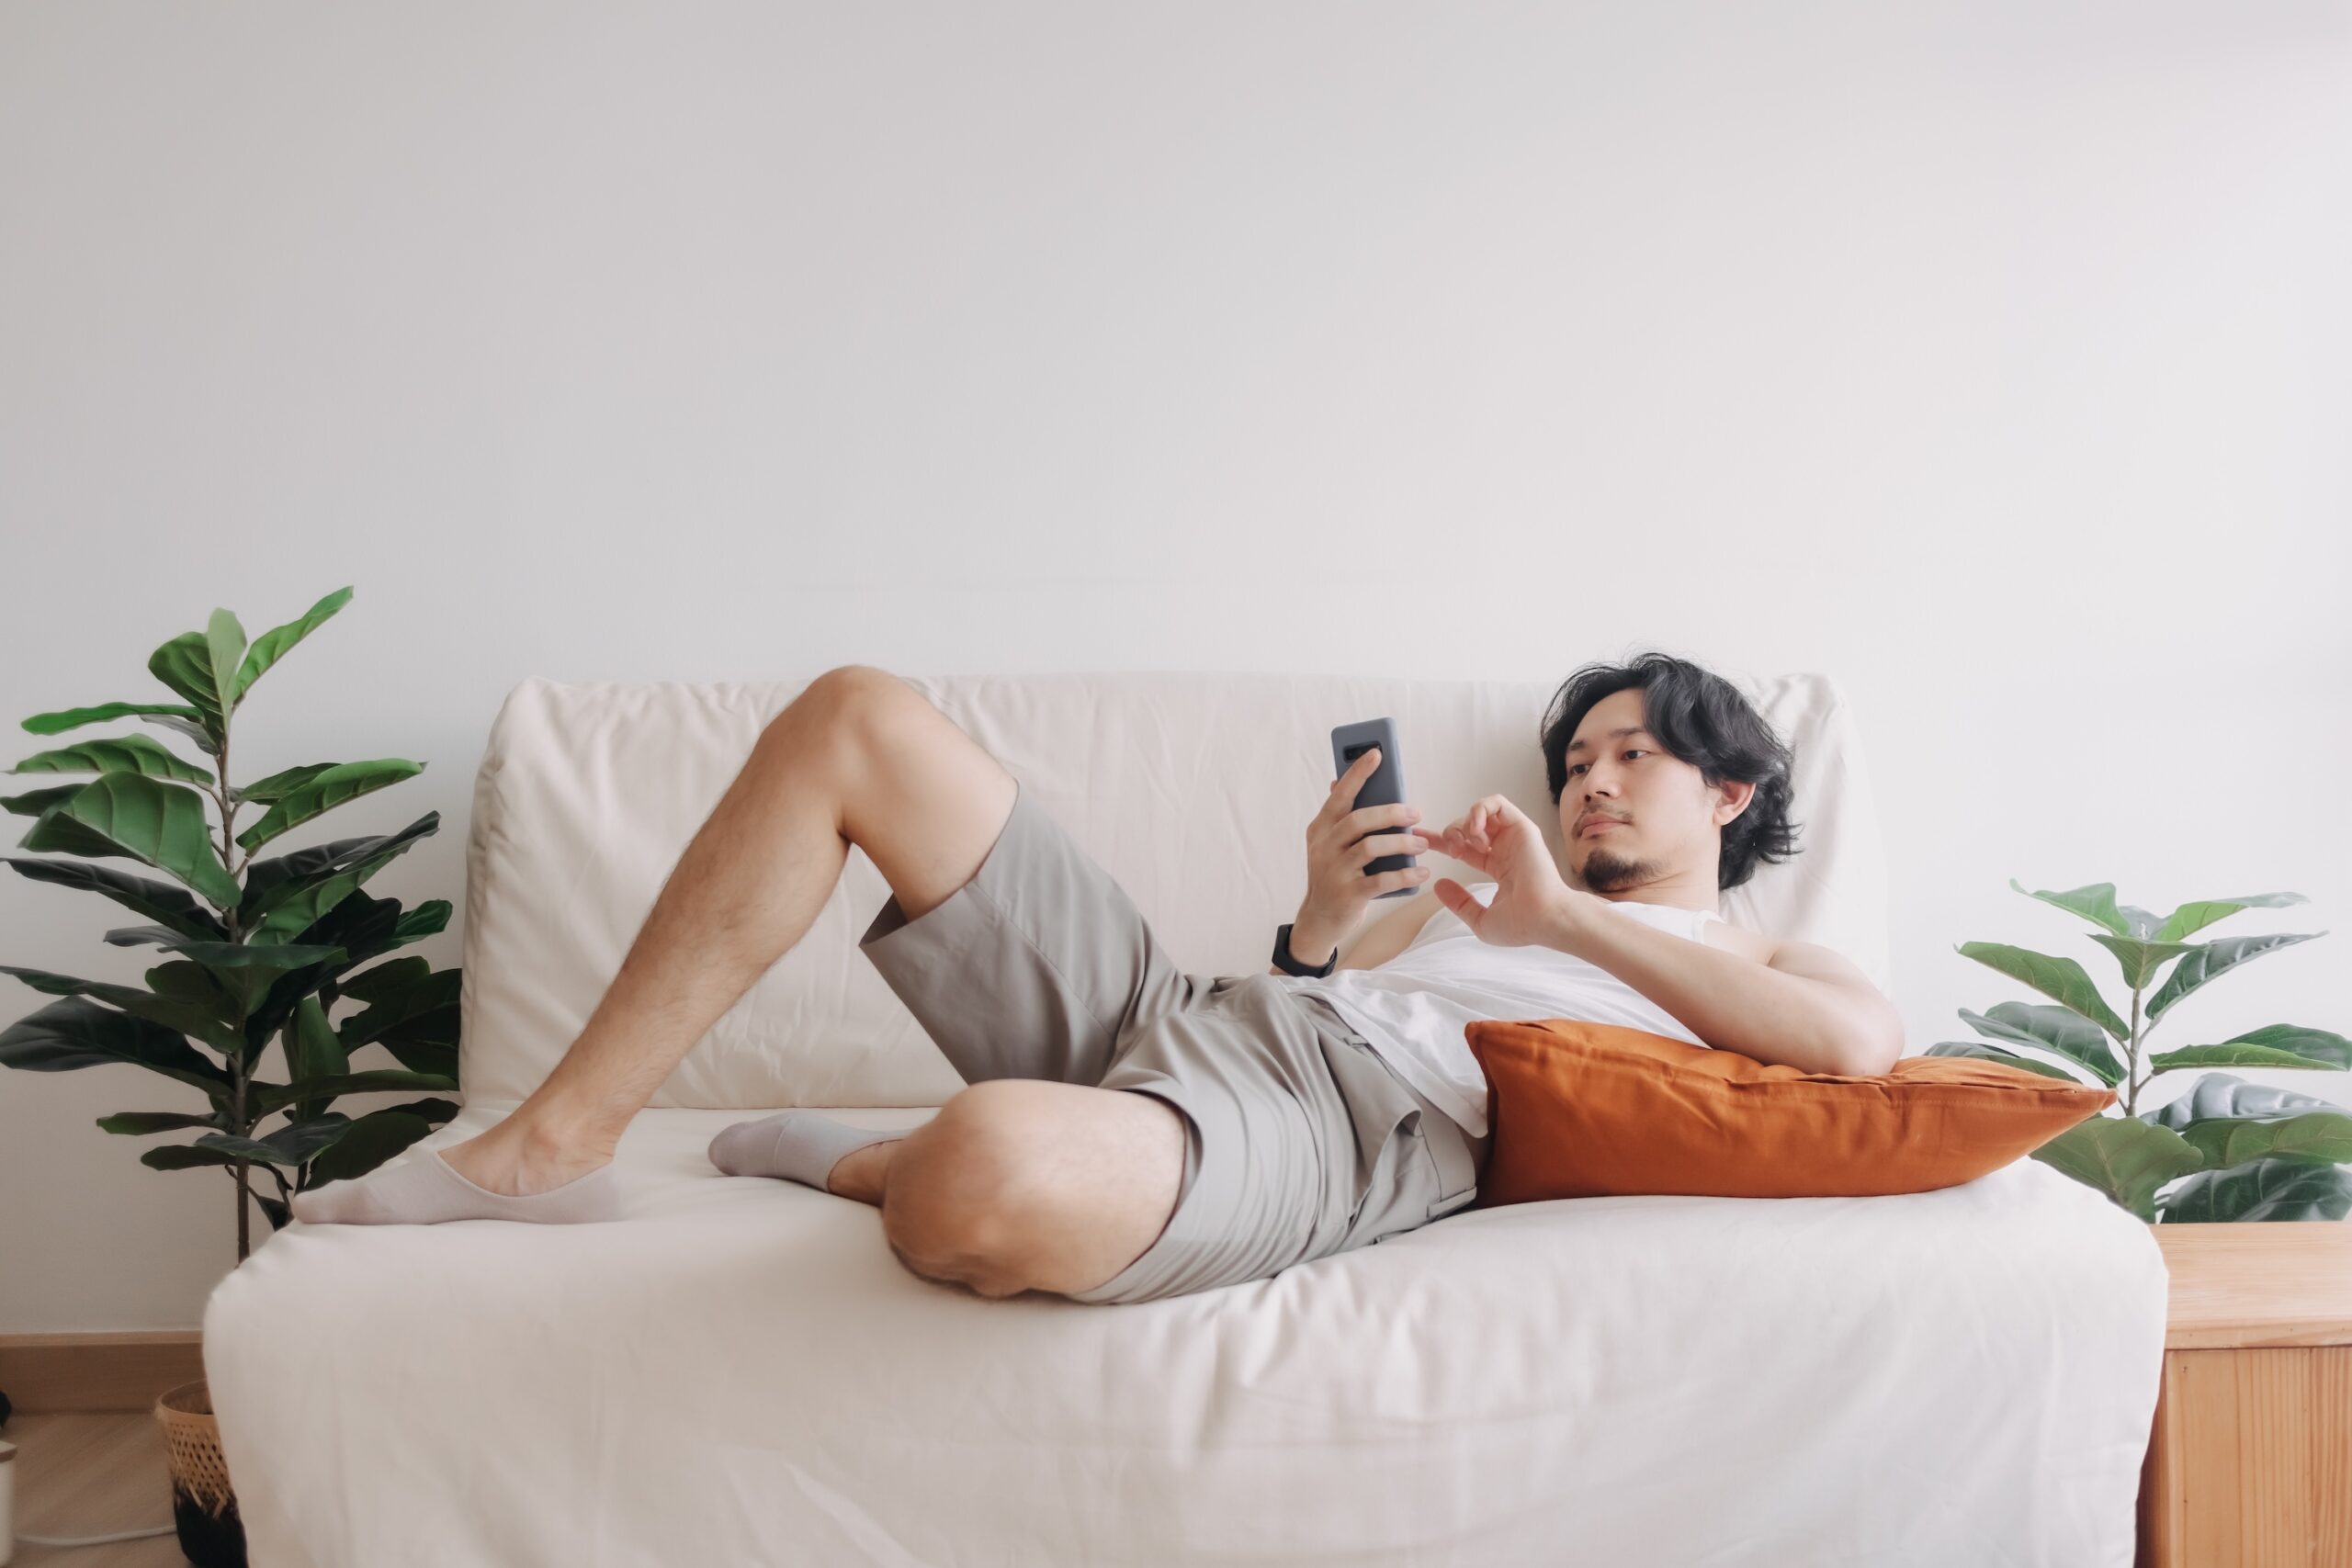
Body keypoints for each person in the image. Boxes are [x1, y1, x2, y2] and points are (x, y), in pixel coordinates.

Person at [293, 654, 1903, 1306]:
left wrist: (1561, 926)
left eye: (1634, 756)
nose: (1591, 779)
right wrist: (1318, 918)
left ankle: (864, 1161)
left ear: (1730, 792)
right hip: (1209, 1022)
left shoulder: (1758, 955)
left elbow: (1859, 1048)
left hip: (1355, 1130)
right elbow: (1314, 994)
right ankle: (553, 1142)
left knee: (985, 1169)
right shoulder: (1481, 906)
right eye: (1579, 759)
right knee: (857, 718)